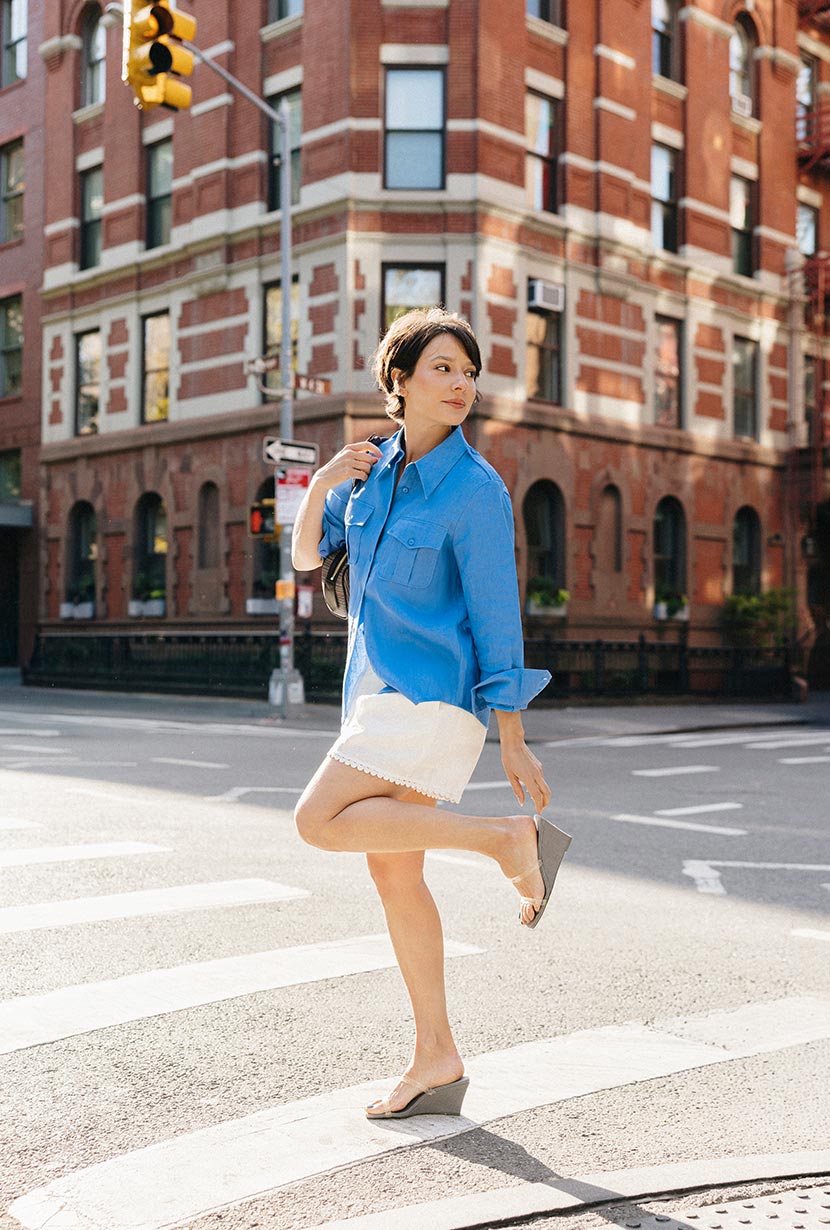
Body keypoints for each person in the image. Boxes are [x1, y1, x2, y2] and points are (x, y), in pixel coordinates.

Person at [292, 307, 571, 1121]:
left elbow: (496, 614)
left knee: (317, 821)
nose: (462, 384)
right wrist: (320, 483)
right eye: (444, 368)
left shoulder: (476, 490)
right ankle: (436, 1056)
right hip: (374, 697)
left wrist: (512, 734)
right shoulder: (373, 477)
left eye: (469, 371)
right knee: (394, 873)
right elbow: (312, 557)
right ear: (399, 382)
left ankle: (503, 838)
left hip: (431, 702)